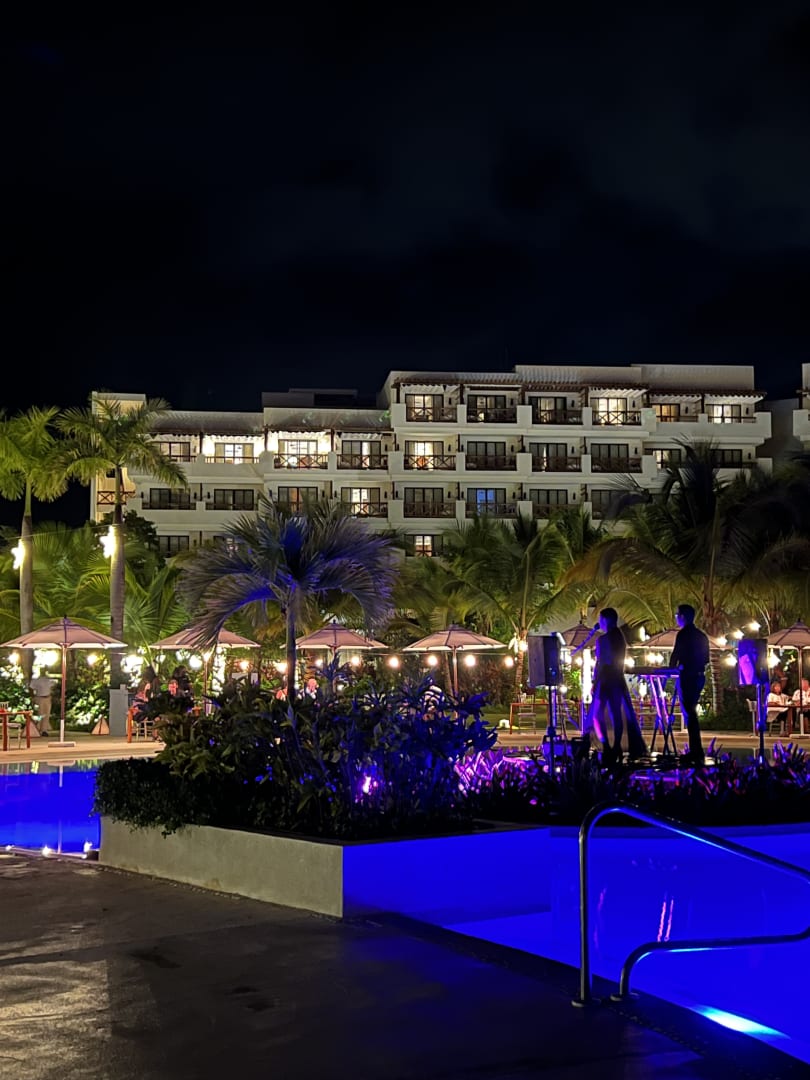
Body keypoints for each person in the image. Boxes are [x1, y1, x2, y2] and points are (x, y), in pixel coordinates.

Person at [590, 608, 647, 763]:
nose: (599, 623)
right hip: (617, 678)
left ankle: (606, 746)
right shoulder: (620, 638)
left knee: (597, 714)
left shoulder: (602, 640)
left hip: (605, 679)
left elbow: (601, 662)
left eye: (601, 619)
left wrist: (595, 681)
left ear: (605, 620)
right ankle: (616, 747)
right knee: (616, 713)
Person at [670, 604, 710, 766]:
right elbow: (706, 659)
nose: (676, 618)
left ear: (683, 617)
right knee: (691, 712)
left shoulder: (683, 634)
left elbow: (676, 654)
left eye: (677, 615)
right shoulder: (701, 635)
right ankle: (696, 750)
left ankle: (696, 751)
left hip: (687, 676)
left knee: (689, 713)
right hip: (699, 676)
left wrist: (672, 669)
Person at [29, 671, 55, 736]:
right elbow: (31, 687)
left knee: (47, 714)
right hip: (40, 697)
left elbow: (52, 687)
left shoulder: (49, 680)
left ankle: (44, 730)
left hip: (47, 697)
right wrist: (33, 697)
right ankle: (38, 728)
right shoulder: (37, 680)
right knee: (40, 713)